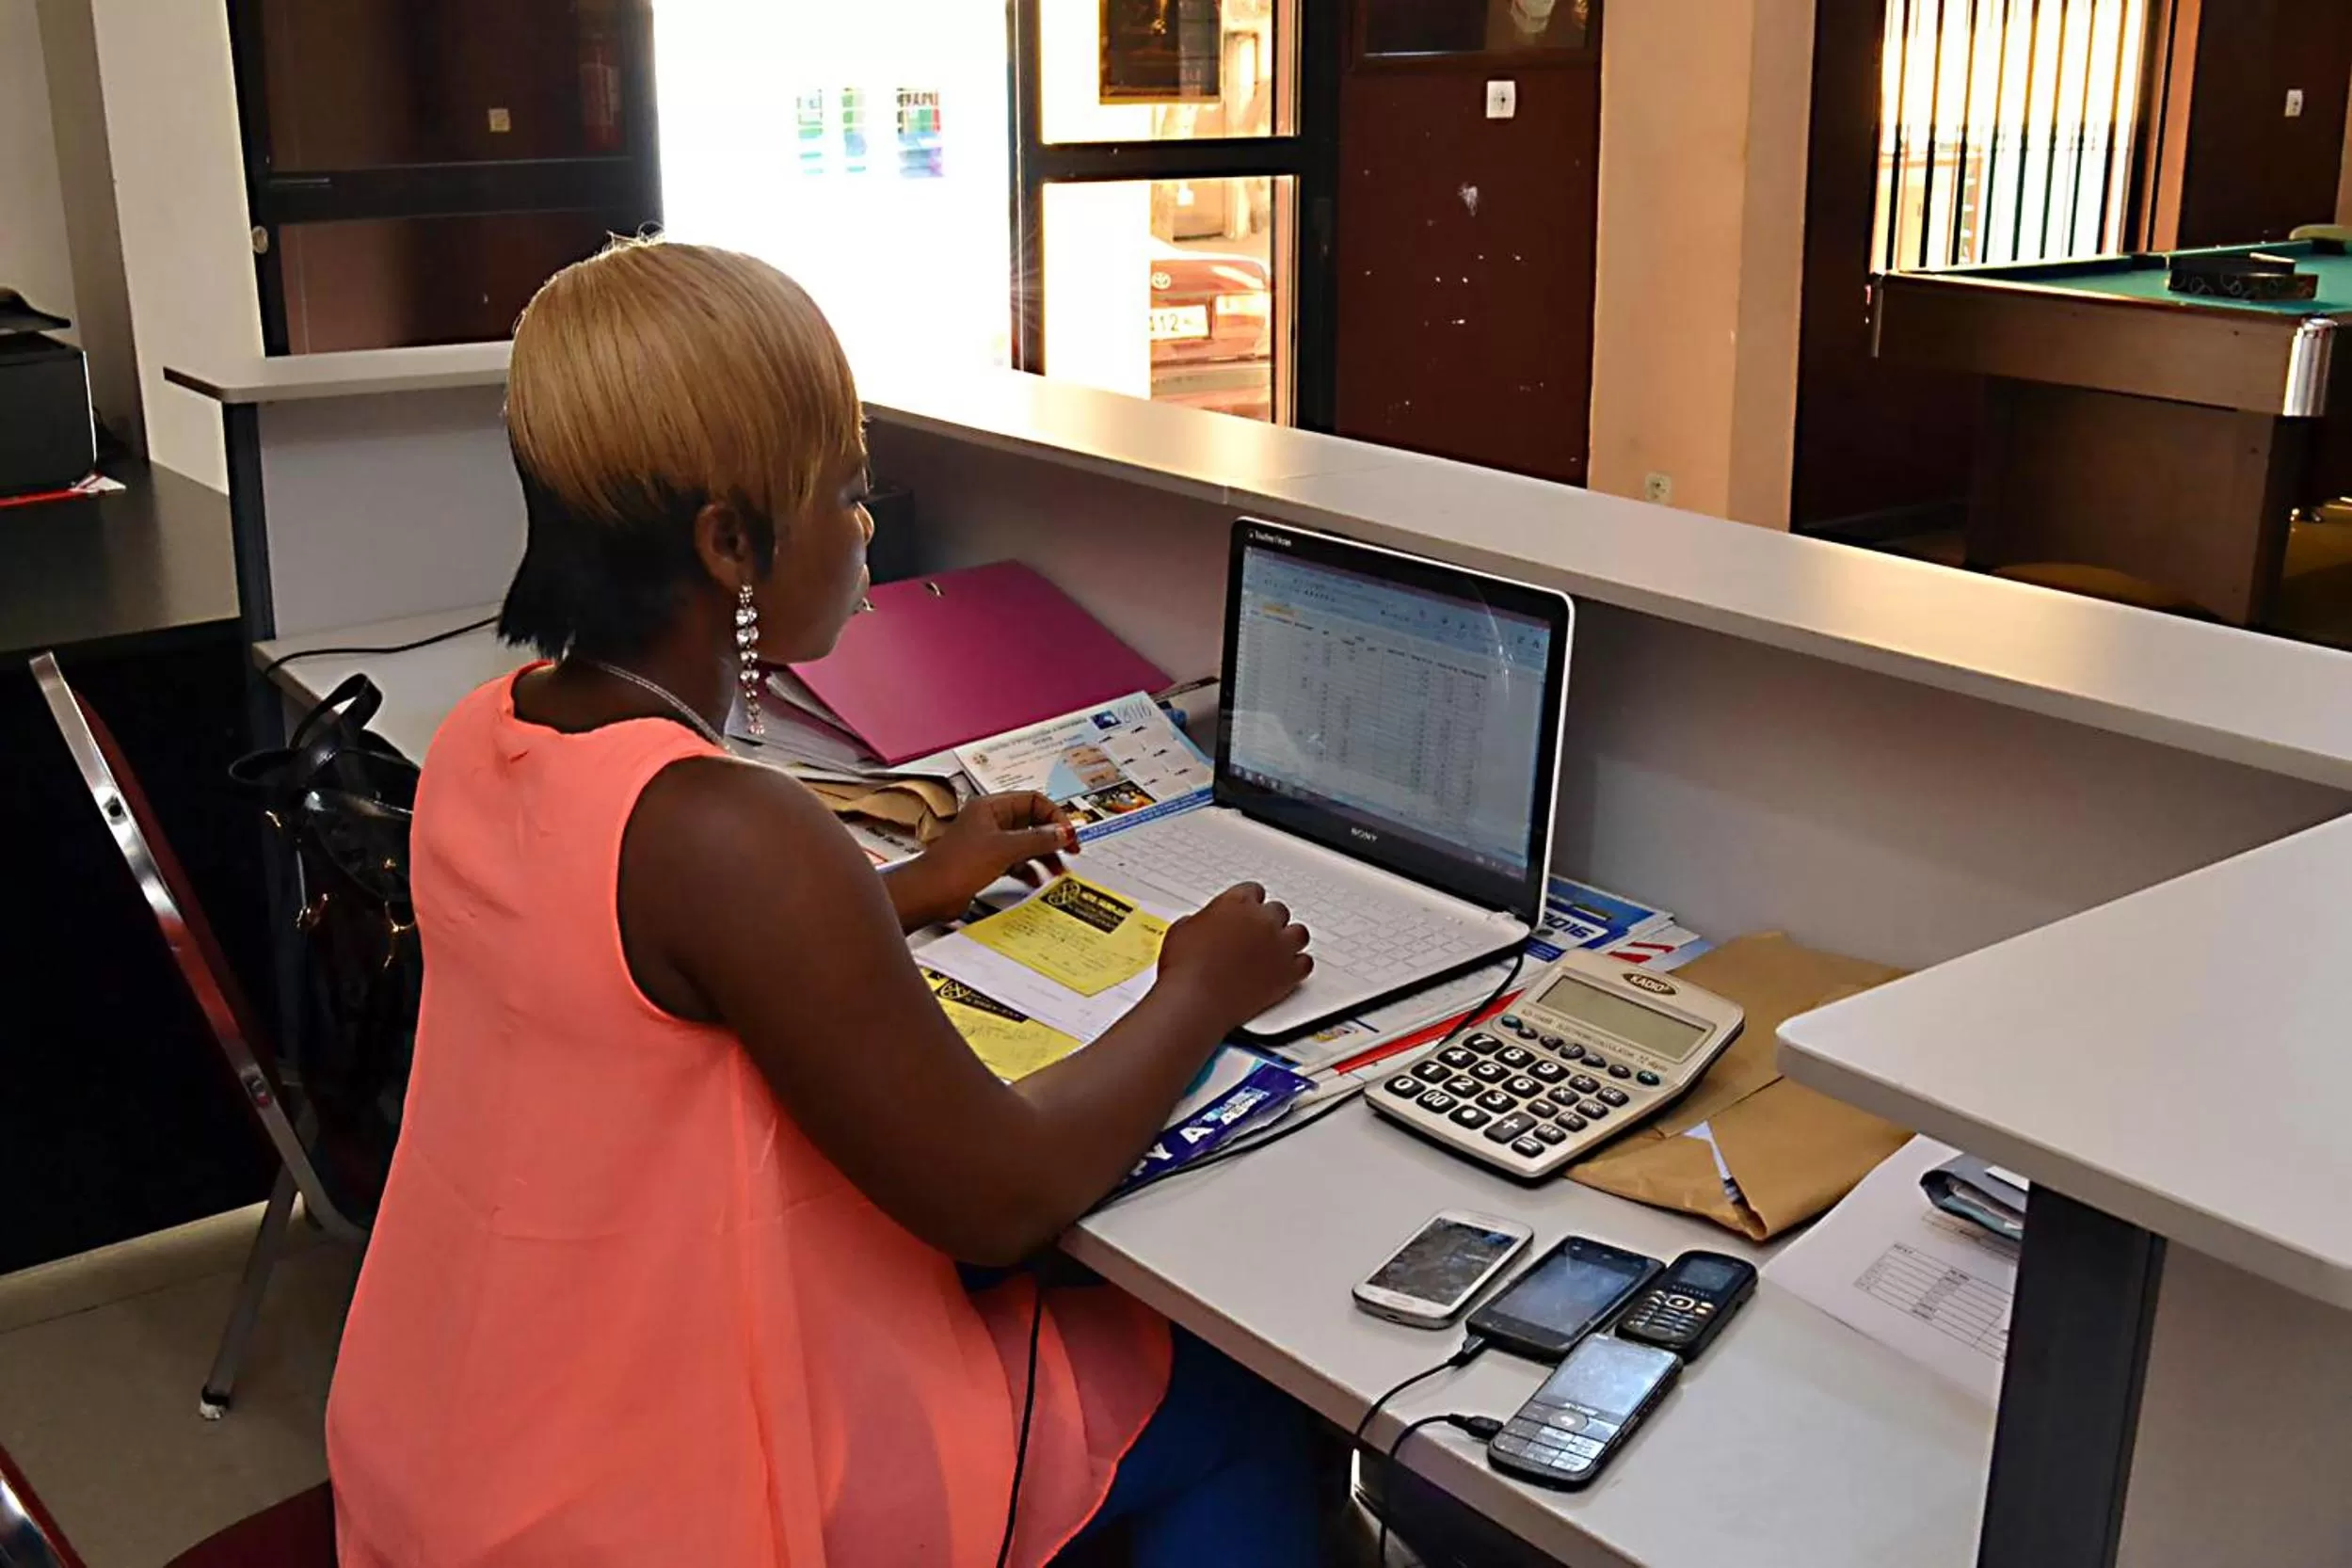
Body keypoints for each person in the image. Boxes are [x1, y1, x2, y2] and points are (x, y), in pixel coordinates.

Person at [325, 238, 1324, 1567]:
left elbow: (636, 977)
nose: (864, 527)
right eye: (846, 493)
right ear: (728, 541)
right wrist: (1203, 979)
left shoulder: (482, 735)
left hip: (454, 1447)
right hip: (664, 1504)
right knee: (1245, 1407)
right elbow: (1000, 1191)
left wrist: (912, 886)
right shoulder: (728, 831)